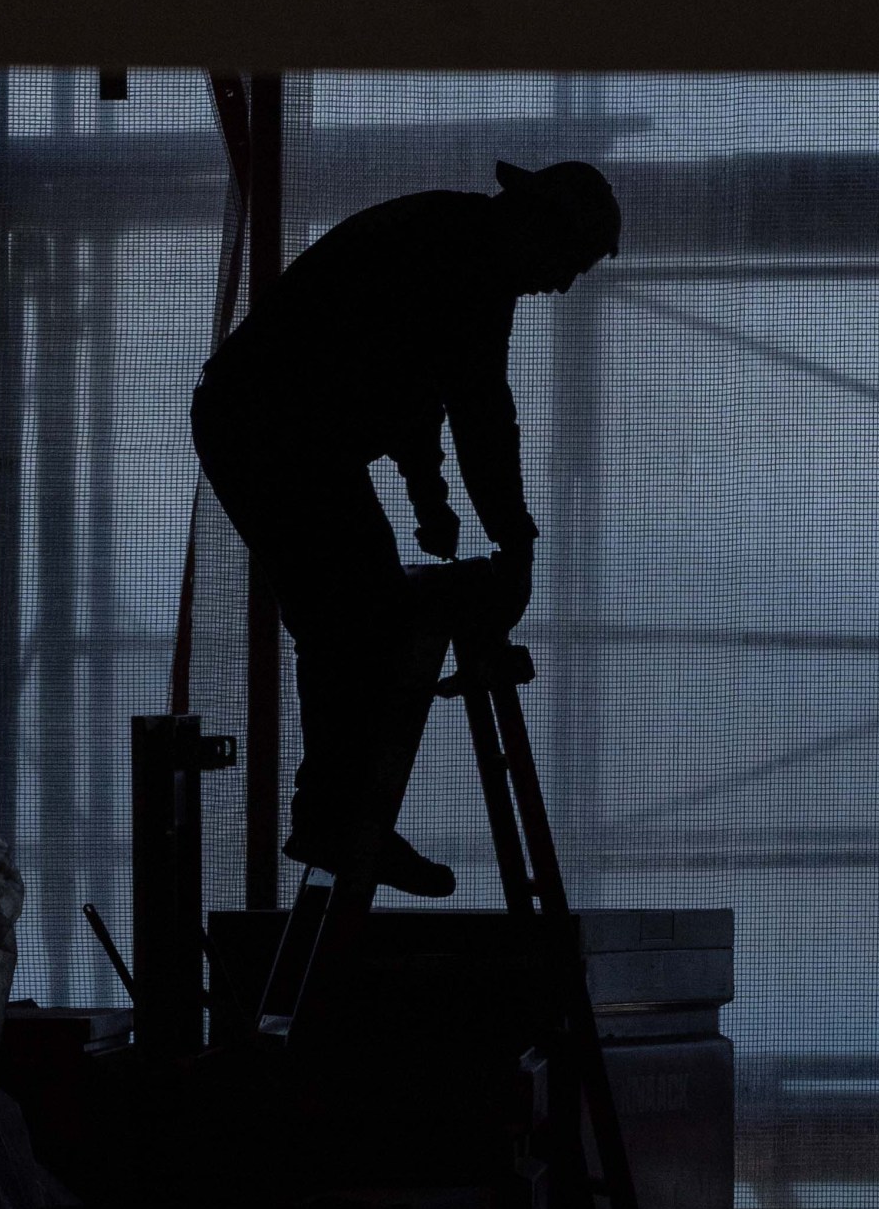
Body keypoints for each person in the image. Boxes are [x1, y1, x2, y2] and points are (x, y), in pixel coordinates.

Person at [190, 158, 622, 897]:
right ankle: (336, 816)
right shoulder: (471, 263)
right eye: (569, 263)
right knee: (353, 611)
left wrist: (429, 495)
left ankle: (337, 813)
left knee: (350, 608)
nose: (562, 284)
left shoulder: (451, 239)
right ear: (541, 229)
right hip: (274, 427)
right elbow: (479, 409)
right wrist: (513, 541)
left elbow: (405, 378)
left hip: (270, 424)